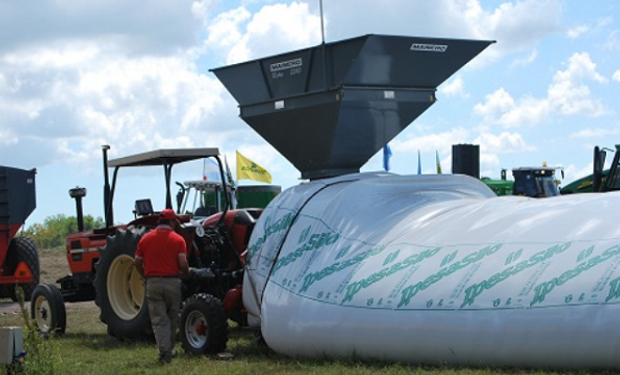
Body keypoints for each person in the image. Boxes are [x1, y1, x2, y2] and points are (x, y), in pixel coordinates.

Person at [134, 208, 190, 364]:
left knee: (159, 320)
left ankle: (165, 352)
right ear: (171, 222)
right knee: (172, 317)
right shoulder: (178, 240)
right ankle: (169, 349)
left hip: (153, 283)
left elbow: (137, 262)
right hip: (173, 283)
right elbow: (182, 263)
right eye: (175, 223)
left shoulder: (145, 239)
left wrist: (145, 275)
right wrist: (186, 273)